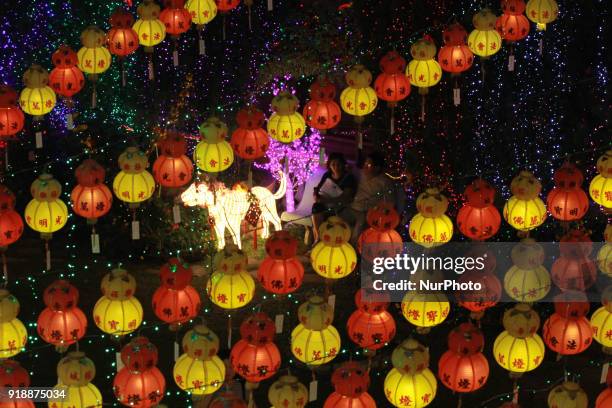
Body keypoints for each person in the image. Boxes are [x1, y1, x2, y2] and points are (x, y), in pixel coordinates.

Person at [348, 151, 406, 242]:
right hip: (352, 208)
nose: (365, 167)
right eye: (365, 163)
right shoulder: (360, 174)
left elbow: (390, 203)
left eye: (369, 165)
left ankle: (355, 247)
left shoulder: (385, 182)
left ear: (377, 168)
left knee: (360, 223)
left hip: (367, 212)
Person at [311, 153, 357, 242]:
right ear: (330, 165)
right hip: (325, 204)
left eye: (339, 165)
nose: (336, 167)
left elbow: (345, 197)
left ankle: (320, 238)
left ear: (343, 165)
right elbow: (318, 188)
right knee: (316, 207)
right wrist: (316, 195)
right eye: (333, 165)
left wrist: (327, 200)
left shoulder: (348, 178)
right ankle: (318, 237)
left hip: (340, 206)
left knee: (320, 211)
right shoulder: (327, 175)